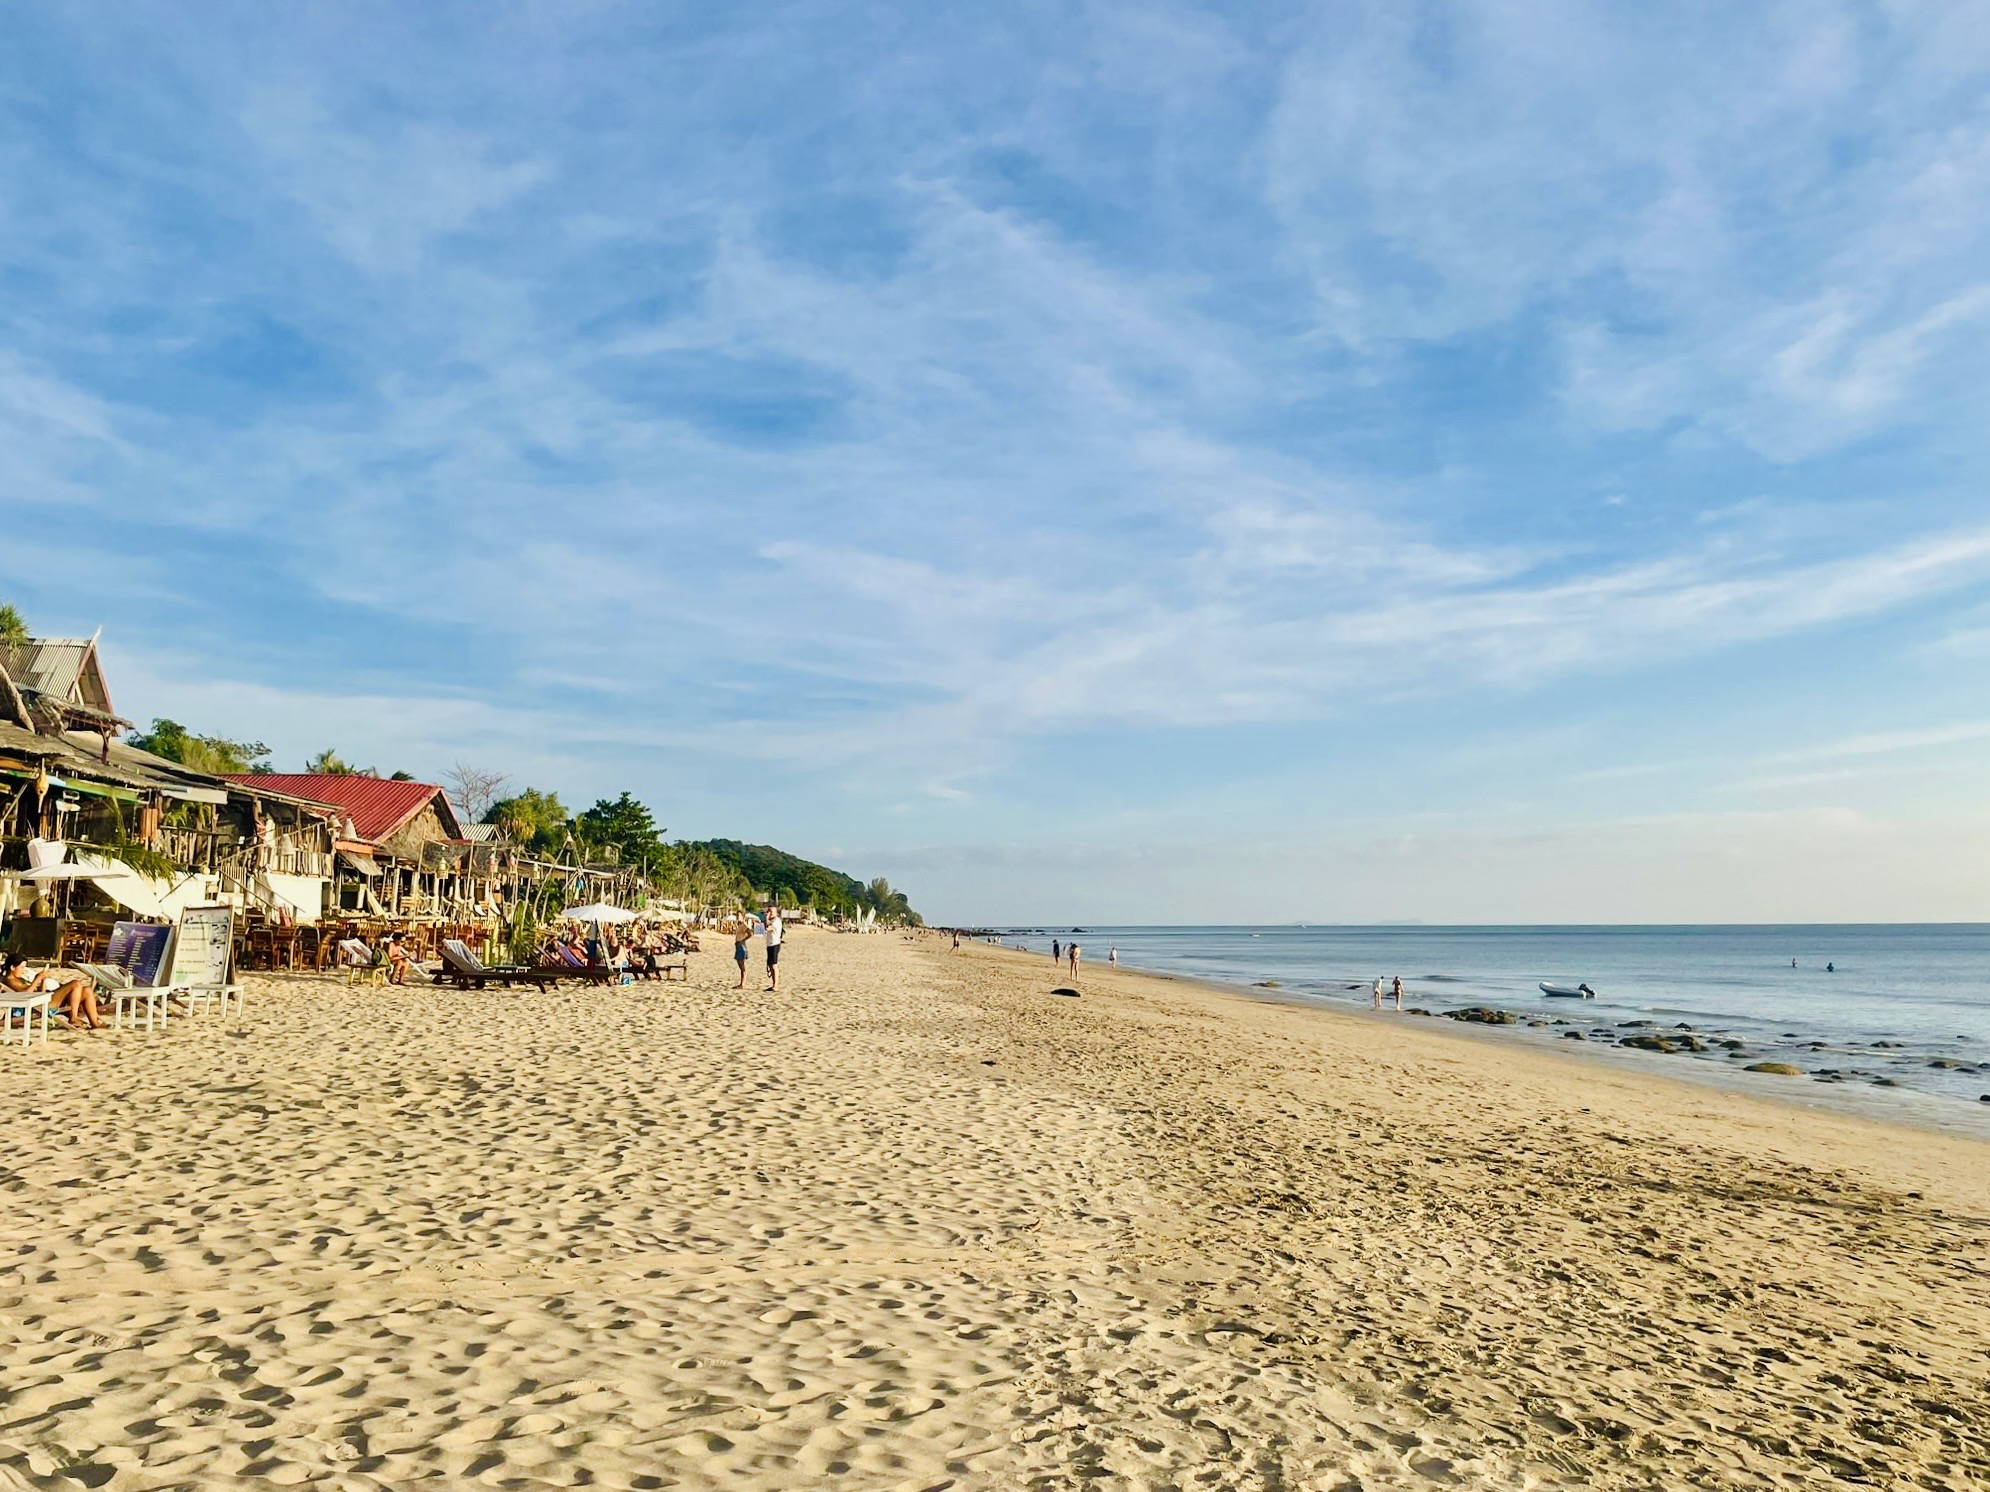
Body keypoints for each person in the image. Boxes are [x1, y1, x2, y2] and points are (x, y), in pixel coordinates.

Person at [3, 951, 103, 1030]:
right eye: (21, 967)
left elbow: (39, 993)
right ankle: (73, 1018)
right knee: (75, 984)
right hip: (36, 1005)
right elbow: (24, 995)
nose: (23, 970)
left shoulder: (19, 979)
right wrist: (37, 979)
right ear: (12, 967)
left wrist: (43, 981)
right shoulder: (9, 981)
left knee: (87, 990)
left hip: (41, 1001)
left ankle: (95, 1024)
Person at [764, 907, 784, 991]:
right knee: (770, 965)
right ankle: (773, 984)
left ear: (776, 913)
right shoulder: (772, 920)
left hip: (774, 944)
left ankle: (776, 985)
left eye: (771, 912)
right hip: (770, 944)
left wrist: (766, 917)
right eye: (769, 911)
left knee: (774, 964)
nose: (770, 913)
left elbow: (768, 927)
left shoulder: (776, 921)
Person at [733, 920, 752, 989]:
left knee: (742, 965)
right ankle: (742, 983)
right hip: (738, 945)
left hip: (741, 946)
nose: (737, 917)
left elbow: (750, 933)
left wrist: (742, 940)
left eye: (739, 916)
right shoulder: (739, 925)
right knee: (740, 965)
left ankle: (743, 983)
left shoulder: (744, 924)